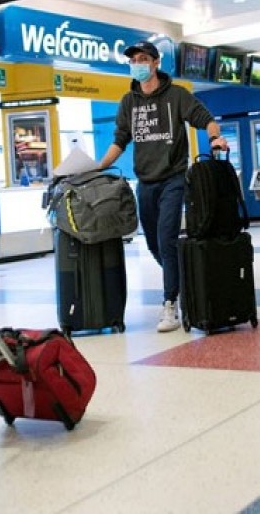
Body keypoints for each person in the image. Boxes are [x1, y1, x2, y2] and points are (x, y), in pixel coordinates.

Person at [97, 41, 228, 332]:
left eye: (143, 59)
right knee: (155, 243)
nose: (137, 65)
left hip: (173, 177)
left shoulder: (176, 96)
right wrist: (99, 166)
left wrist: (215, 138)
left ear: (156, 63)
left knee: (167, 237)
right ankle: (182, 279)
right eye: (133, 61)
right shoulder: (128, 101)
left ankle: (170, 303)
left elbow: (205, 120)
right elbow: (120, 140)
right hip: (145, 181)